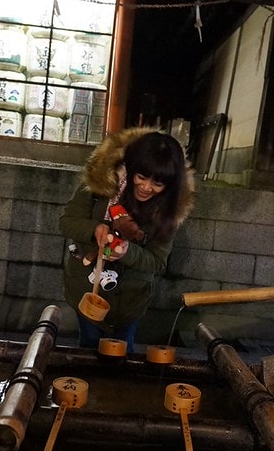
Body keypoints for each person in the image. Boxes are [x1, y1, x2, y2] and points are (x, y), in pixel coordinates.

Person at [59, 127, 195, 351]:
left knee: (123, 352)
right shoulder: (101, 183)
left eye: (157, 184)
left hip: (131, 299)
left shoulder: (168, 210)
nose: (146, 187)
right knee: (89, 349)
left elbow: (157, 262)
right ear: (131, 167)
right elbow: (67, 221)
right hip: (87, 287)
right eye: (141, 177)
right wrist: (95, 228)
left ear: (169, 185)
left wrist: (127, 252)